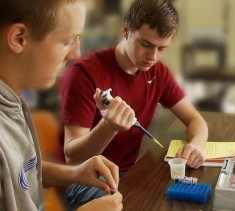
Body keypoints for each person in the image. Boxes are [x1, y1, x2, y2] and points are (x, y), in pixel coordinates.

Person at [59, 0, 208, 208]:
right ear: (126, 31)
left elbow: (195, 119)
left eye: (161, 48)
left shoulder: (158, 72)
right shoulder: (84, 74)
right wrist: (108, 127)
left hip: (127, 174)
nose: (153, 57)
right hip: (82, 179)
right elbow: (73, 158)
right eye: (146, 45)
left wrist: (197, 144)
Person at [0, 0, 123, 210]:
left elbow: (20, 174)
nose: (75, 54)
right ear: (20, 38)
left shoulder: (11, 102)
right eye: (67, 41)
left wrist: (75, 173)